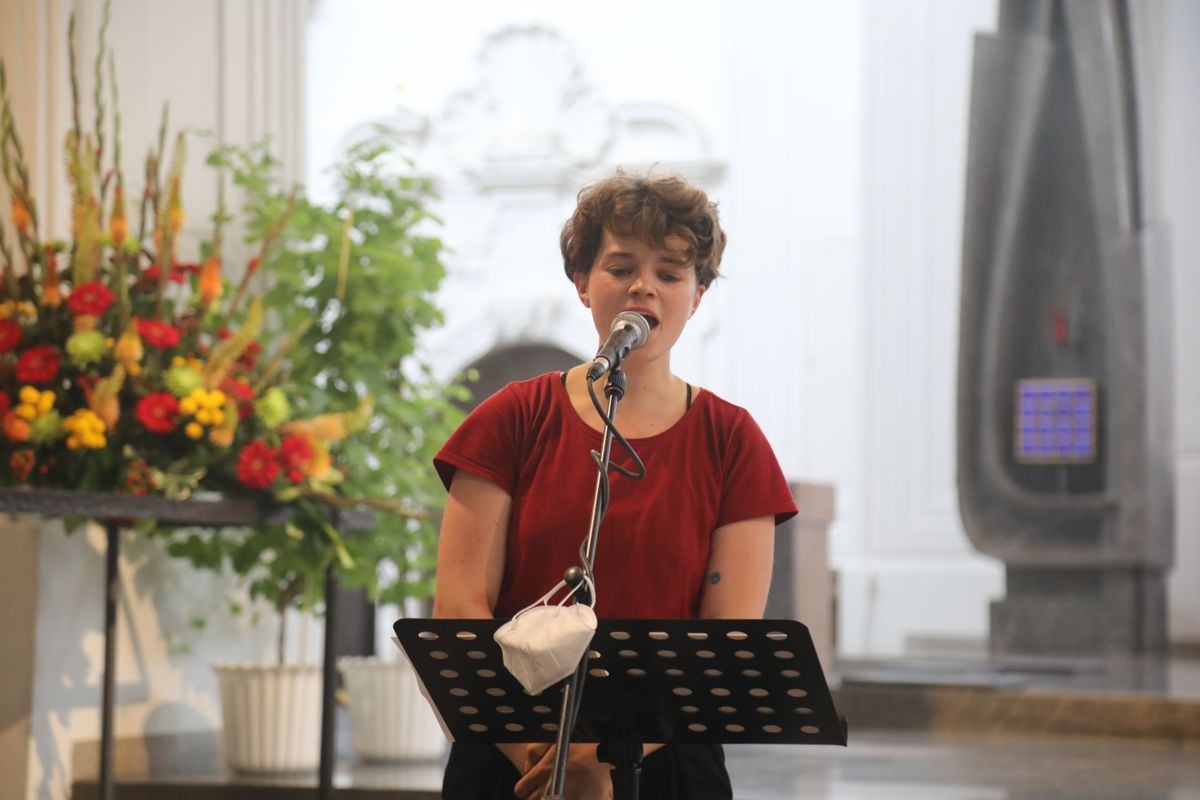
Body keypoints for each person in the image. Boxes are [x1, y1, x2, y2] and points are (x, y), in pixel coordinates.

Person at [432, 170, 798, 800]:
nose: (643, 288)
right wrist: (538, 761)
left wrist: (601, 766)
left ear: (698, 295)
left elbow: (723, 641)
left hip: (669, 761)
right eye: (621, 266)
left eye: (670, 273)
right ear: (582, 284)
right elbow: (461, 607)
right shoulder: (510, 418)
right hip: (510, 754)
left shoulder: (732, 441)